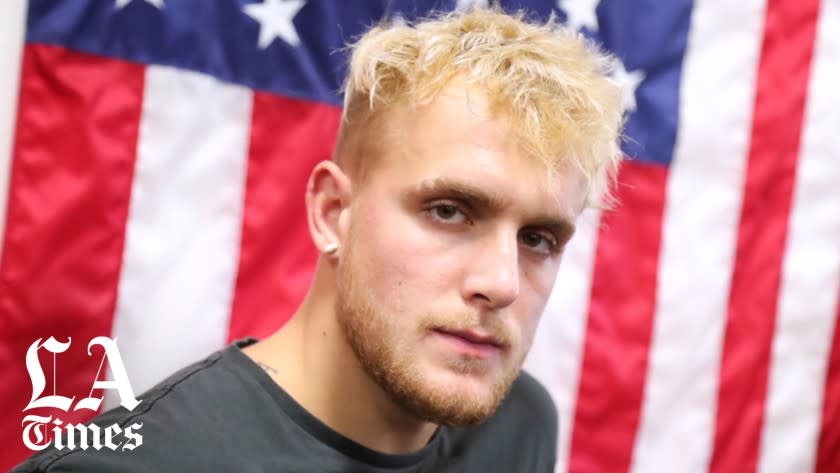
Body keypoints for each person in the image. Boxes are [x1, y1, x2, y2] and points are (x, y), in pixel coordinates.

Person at [14, 7, 623, 472]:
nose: (501, 282)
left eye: (539, 239)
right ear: (334, 212)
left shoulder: (518, 426)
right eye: (449, 211)